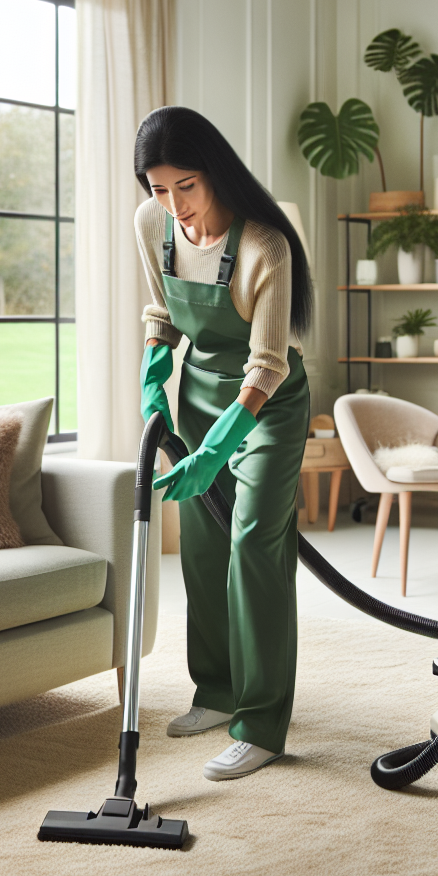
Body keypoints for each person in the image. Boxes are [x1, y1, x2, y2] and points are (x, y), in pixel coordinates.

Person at [134, 106, 312, 781]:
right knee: (204, 547)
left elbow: (267, 366)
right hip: (200, 394)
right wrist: (155, 378)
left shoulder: (266, 245)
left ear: (215, 175)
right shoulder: (150, 225)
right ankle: (216, 692)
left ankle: (262, 723)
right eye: (158, 188)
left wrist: (215, 452)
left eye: (187, 185)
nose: (173, 204)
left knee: (252, 542)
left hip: (266, 405)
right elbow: (161, 313)